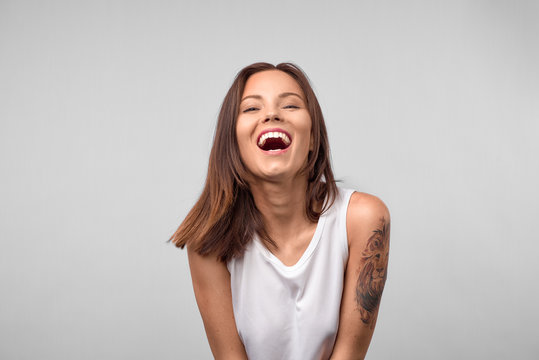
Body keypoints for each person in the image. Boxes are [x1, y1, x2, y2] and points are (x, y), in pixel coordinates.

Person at [170, 62, 390, 360]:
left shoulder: (363, 219)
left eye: (290, 105)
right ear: (233, 143)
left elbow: (349, 353)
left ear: (312, 139)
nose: (272, 114)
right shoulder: (206, 241)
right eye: (251, 109)